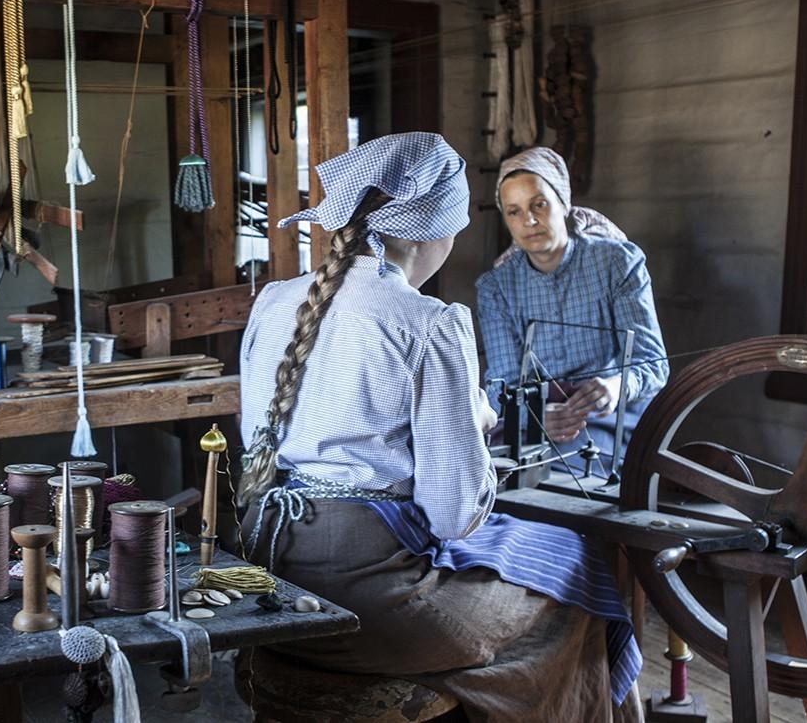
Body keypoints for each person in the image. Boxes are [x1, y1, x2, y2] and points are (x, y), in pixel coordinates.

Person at [238, 133, 642, 722]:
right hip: (366, 602)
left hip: (268, 584)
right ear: (437, 229)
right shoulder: (430, 321)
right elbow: (454, 515)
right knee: (580, 581)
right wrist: (473, 427)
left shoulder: (273, 301)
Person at [477, 146, 668, 476]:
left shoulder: (618, 262)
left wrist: (615, 387)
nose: (529, 220)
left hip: (607, 414)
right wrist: (533, 414)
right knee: (483, 474)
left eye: (539, 204)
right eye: (514, 211)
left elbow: (653, 365)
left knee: (565, 473)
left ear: (563, 202)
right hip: (532, 417)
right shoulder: (497, 287)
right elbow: (501, 384)